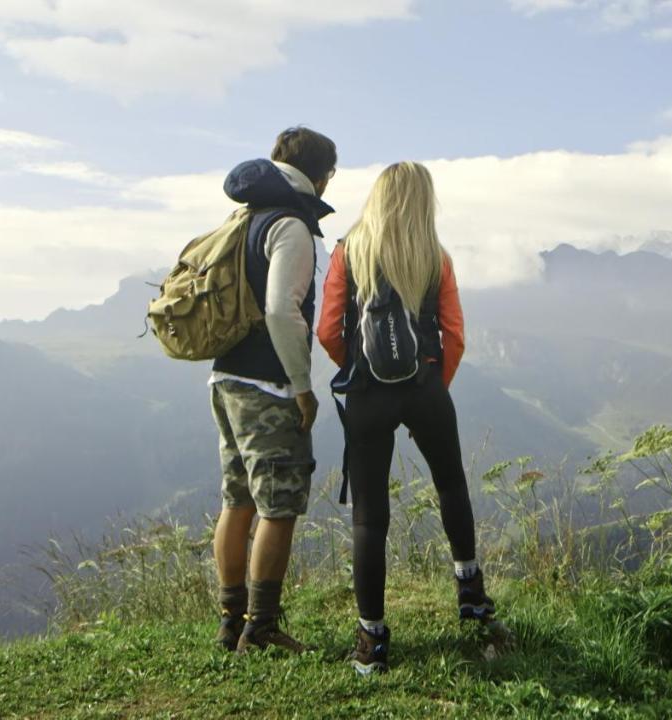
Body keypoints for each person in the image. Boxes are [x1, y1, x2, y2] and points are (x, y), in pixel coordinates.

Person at [317, 161, 496, 675]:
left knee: (369, 518)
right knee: (450, 486)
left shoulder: (349, 253)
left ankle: (371, 639)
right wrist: (434, 383)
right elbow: (455, 332)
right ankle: (471, 592)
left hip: (367, 396)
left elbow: (329, 330)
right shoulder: (434, 257)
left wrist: (359, 372)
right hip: (426, 389)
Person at [210, 127, 336, 654]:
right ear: (321, 173)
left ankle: (231, 619)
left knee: (237, 498)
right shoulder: (291, 226)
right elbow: (283, 310)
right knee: (278, 507)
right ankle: (260, 628)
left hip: (224, 378)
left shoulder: (244, 217)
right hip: (268, 385)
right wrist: (303, 387)